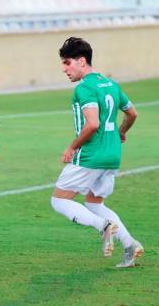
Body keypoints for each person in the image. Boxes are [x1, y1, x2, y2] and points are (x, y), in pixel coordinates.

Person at [50, 37, 143, 268]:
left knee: (59, 201)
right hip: (112, 155)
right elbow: (132, 114)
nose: (64, 69)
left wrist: (72, 147)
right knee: (94, 203)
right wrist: (121, 132)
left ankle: (102, 227)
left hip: (92, 155)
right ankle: (130, 245)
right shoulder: (111, 84)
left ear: (82, 61)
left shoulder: (85, 88)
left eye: (67, 63)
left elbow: (92, 124)